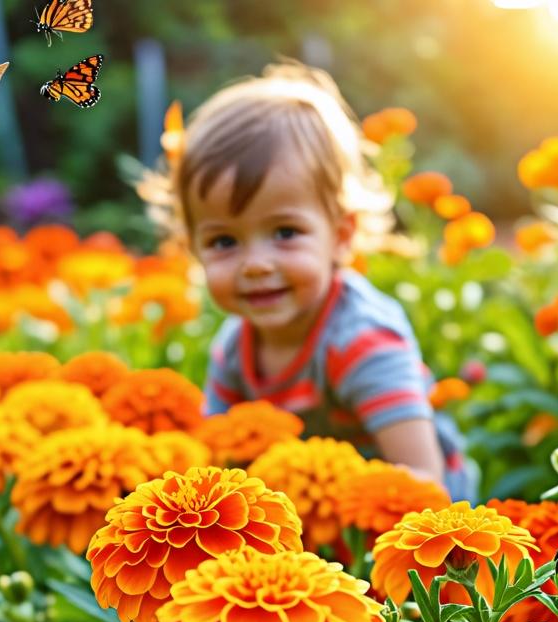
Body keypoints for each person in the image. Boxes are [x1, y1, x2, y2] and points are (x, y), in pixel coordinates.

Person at [140, 61, 477, 500]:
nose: (255, 265)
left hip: (411, 528)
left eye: (285, 233)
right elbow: (214, 460)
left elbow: (422, 480)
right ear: (192, 247)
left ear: (341, 236)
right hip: (308, 518)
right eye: (224, 240)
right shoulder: (232, 348)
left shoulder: (361, 340)